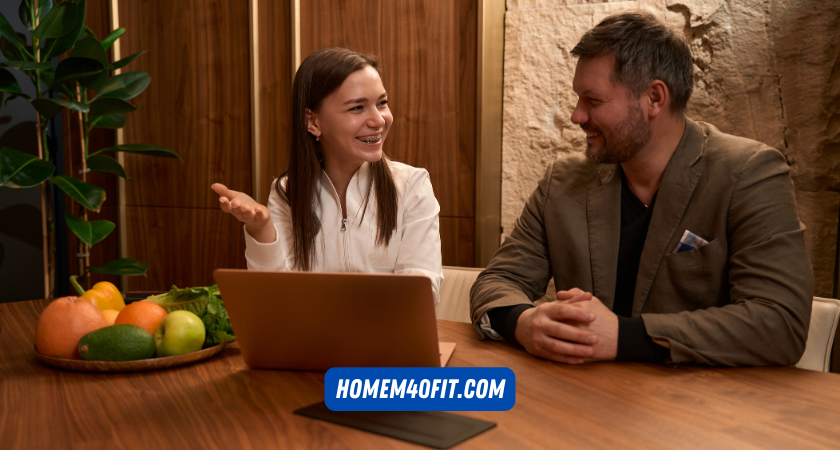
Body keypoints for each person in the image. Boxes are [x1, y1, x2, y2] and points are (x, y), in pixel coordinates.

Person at [470, 11, 813, 366]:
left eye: (593, 100)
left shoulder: (749, 173)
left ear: (654, 98)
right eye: (578, 98)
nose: (576, 116)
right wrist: (523, 323)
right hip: (577, 402)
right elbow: (498, 280)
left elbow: (780, 323)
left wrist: (622, 337)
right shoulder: (562, 183)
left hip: (700, 409)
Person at [212, 48, 443, 303]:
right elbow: (274, 295)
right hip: (312, 342)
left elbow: (424, 289)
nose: (378, 120)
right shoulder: (287, 191)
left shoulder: (412, 185)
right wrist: (261, 228)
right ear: (313, 122)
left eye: (382, 103)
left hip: (387, 340)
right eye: (357, 107)